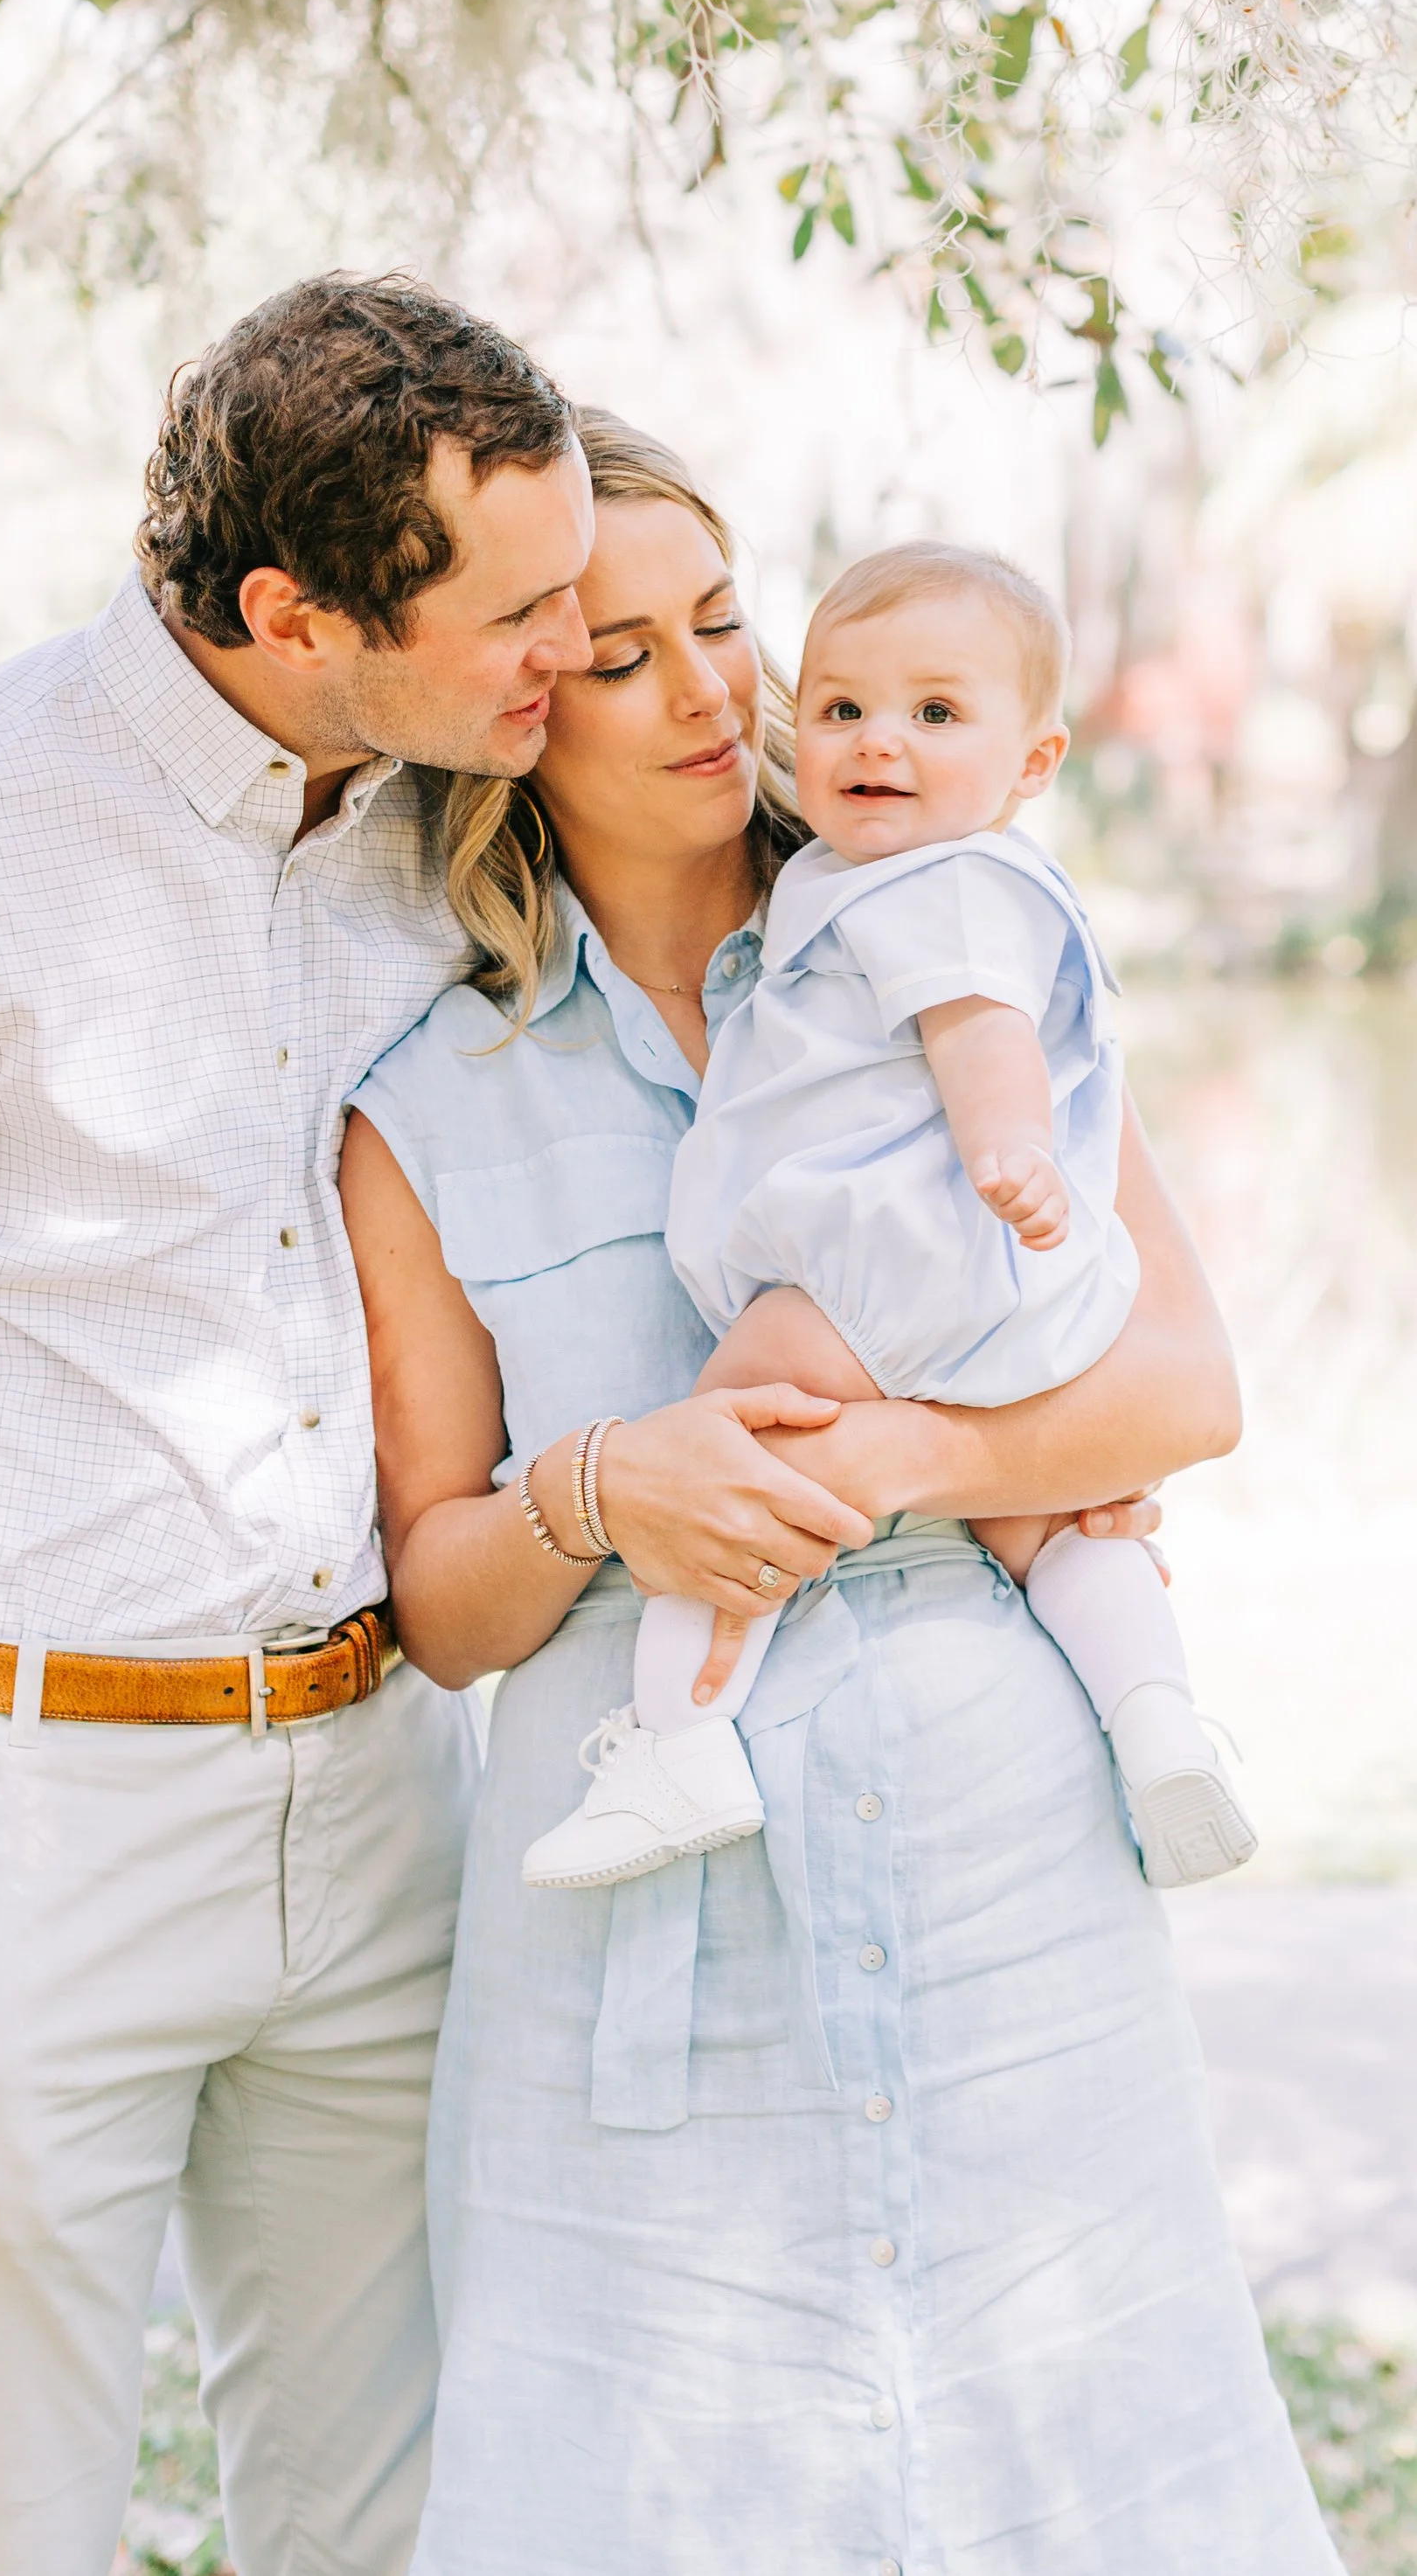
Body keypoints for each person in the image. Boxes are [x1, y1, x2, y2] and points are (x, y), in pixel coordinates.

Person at [0, 282, 871, 2576]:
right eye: (522, 613)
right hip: (18, 1817)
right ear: (295, 617)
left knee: (404, 2519)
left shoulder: (456, 810)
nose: (569, 649)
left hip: (393, 1797)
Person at [342, 413, 1346, 2575]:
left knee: (1084, 2488)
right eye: (620, 657)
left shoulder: (968, 937)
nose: (712, 692)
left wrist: (913, 1460)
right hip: (641, 1918)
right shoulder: (427, 1099)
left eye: (724, 623)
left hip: (1004, 1878)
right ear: (515, 711)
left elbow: (1181, 1386)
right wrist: (601, 1491)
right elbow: (439, 1601)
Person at [524, 536, 1255, 1898]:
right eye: (846, 706)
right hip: (994, 1288)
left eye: (935, 713)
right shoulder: (881, 872)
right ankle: (1157, 1725)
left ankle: (679, 1739)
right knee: (1057, 1524)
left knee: (730, 1441)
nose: (878, 740)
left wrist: (1008, 1149)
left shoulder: (934, 880)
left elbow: (981, 1030)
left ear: (1033, 762)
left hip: (896, 1263)